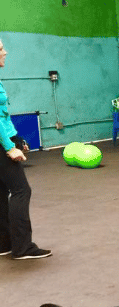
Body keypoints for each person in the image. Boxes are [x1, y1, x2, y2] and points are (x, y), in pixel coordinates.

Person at [0, 39, 52, 260]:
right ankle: (23, 247)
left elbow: (4, 116)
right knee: (22, 190)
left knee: (1, 191)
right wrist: (10, 147)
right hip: (1, 144)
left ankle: (5, 243)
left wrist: (17, 138)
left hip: (5, 137)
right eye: (1, 49)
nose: (5, 52)